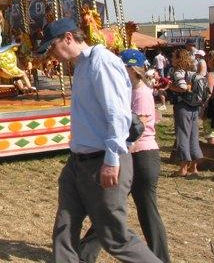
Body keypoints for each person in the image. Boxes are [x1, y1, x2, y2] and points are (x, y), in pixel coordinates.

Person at [37, 18, 162, 263]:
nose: (52, 53)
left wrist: (112, 158)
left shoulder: (102, 62)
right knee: (65, 226)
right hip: (79, 162)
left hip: (102, 161)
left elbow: (117, 114)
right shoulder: (82, 65)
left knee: (115, 238)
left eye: (52, 47)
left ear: (69, 38)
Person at [80, 49, 171, 263]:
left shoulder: (141, 94)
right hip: (134, 155)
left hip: (141, 157)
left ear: (131, 69)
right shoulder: (131, 90)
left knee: (143, 211)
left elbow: (135, 130)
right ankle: (85, 253)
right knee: (110, 208)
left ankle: (159, 257)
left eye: (123, 67)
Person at [169, 48, 204, 177]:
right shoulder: (191, 71)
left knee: (183, 135)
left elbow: (183, 87)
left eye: (173, 57)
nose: (171, 59)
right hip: (194, 107)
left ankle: (183, 168)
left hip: (183, 107)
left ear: (179, 59)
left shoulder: (178, 72)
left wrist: (170, 86)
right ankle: (193, 167)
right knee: (194, 135)